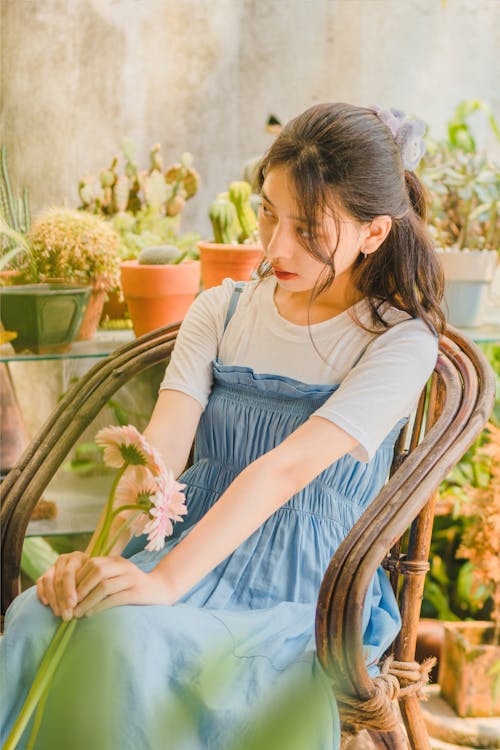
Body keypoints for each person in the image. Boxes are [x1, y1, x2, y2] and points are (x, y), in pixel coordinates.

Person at [1, 102, 445, 750]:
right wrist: (97, 562)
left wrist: (163, 583)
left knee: (124, 639)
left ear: (374, 233)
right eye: (268, 211)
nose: (275, 245)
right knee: (39, 615)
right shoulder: (222, 309)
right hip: (181, 551)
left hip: (301, 592)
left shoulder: (399, 342)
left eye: (308, 228)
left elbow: (284, 471)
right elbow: (157, 455)